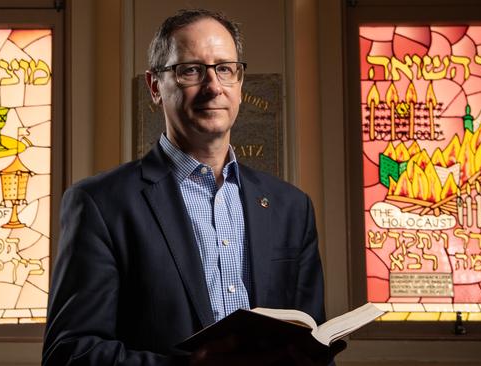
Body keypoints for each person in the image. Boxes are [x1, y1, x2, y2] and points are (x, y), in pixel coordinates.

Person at [42, 8, 344, 365]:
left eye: (225, 69)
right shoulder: (99, 204)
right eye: (191, 71)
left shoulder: (291, 207)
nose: (213, 86)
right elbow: (69, 353)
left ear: (240, 84)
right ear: (155, 86)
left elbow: (313, 342)